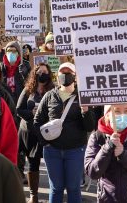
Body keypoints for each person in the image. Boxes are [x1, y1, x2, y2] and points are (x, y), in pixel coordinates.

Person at [34, 62, 96, 203]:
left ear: (75, 76)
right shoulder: (50, 96)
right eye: (62, 72)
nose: (65, 76)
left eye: (69, 73)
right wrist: (46, 143)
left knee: (73, 188)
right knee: (56, 188)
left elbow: (89, 126)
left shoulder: (83, 96)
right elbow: (37, 121)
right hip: (52, 151)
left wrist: (85, 111)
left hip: (75, 151)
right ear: (57, 75)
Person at [85, 103, 127, 203]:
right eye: (117, 111)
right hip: (107, 198)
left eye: (126, 111)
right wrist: (107, 148)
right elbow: (92, 172)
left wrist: (124, 155)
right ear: (107, 115)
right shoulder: (97, 137)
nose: (123, 115)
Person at [16, 63, 55, 203]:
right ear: (35, 73)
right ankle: (33, 195)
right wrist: (32, 113)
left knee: (51, 161)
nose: (42, 74)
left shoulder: (53, 90)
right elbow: (19, 110)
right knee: (33, 162)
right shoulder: (28, 89)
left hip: (46, 131)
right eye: (39, 71)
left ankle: (55, 191)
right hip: (29, 132)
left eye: (45, 71)